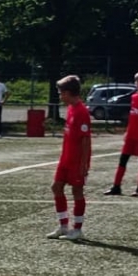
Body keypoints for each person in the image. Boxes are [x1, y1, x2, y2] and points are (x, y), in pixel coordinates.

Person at [48, 74, 91, 240]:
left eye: (61, 93)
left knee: (77, 191)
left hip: (77, 161)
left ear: (67, 93)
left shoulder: (82, 111)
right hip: (65, 158)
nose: (60, 96)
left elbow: (86, 140)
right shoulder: (71, 108)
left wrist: (84, 164)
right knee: (56, 187)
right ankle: (63, 226)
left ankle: (77, 229)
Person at [108, 70, 138, 197]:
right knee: (122, 160)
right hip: (131, 136)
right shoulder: (134, 97)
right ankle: (116, 187)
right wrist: (127, 131)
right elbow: (132, 117)